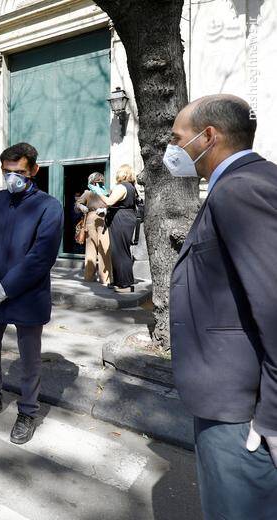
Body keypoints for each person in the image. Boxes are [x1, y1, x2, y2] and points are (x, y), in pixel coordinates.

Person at [167, 94, 277, 518]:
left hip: (240, 409)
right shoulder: (251, 181)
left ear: (208, 137)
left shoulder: (240, 189)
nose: (172, 148)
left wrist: (272, 414)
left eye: (177, 138)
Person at [0, 142, 63, 445]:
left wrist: (6, 287)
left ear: (34, 170)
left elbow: (41, 257)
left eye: (19, 172)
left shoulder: (49, 206)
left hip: (27, 295)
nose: (12, 178)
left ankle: (28, 411)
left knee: (29, 358)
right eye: (7, 172)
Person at [94, 164, 138, 293]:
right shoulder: (131, 187)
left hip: (121, 220)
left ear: (122, 174)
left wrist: (98, 192)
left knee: (120, 252)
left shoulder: (122, 187)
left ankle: (125, 285)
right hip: (126, 218)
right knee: (120, 251)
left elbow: (109, 202)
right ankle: (120, 281)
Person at [75, 172, 112, 285]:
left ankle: (105, 278)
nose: (100, 182)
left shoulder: (108, 192)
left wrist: (107, 209)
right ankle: (89, 276)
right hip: (91, 220)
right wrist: (82, 207)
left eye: (101, 180)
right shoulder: (87, 193)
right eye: (97, 180)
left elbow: (112, 204)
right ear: (92, 182)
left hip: (104, 220)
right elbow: (77, 204)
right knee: (91, 248)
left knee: (104, 248)